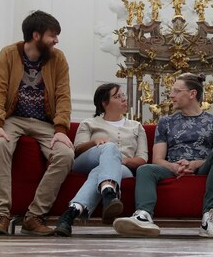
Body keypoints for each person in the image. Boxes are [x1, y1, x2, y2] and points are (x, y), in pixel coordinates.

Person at [0, 10, 75, 236]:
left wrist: (61, 129)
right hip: (13, 119)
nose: (56, 40)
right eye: (52, 35)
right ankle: (1, 215)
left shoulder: (58, 58)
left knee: (65, 154)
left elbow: (63, 95)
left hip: (45, 122)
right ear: (36, 35)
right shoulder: (7, 55)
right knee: (1, 145)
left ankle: (34, 216)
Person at [112, 73, 213, 238]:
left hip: (203, 167)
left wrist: (195, 164)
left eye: (176, 91)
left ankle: (209, 218)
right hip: (172, 166)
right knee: (145, 169)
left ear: (192, 94)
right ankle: (143, 216)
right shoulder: (165, 122)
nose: (171, 95)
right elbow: (157, 159)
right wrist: (173, 167)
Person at [53, 83, 148, 236]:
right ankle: (110, 193)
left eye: (123, 95)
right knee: (109, 147)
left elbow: (143, 159)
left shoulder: (136, 126)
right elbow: (77, 150)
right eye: (118, 97)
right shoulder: (89, 123)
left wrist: (122, 160)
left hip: (123, 168)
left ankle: (71, 212)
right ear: (104, 103)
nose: (124, 99)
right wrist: (94, 143)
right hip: (87, 161)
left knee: (101, 169)